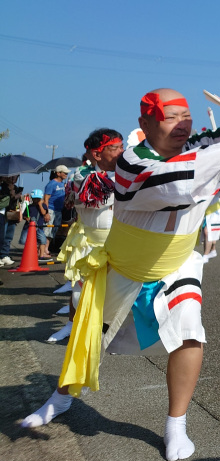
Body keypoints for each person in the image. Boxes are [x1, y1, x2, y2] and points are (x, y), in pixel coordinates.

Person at [20, 78, 220, 461]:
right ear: (146, 122)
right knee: (90, 334)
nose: (183, 122)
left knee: (189, 331)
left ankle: (176, 424)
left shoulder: (203, 148)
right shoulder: (134, 162)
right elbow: (180, 183)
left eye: (186, 115)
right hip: (127, 262)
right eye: (171, 117)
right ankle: (61, 397)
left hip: (180, 260)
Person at [49, 129, 124, 343]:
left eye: (122, 146)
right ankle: (73, 326)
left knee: (118, 293)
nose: (122, 151)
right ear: (97, 154)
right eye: (115, 148)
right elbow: (89, 195)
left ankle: (111, 333)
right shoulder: (81, 176)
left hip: (119, 242)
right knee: (78, 289)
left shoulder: (129, 175)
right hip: (89, 241)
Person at [43, 165, 69, 248]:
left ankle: (46, 248)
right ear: (58, 173)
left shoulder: (62, 184)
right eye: (65, 173)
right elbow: (46, 198)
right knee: (47, 230)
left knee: (54, 230)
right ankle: (43, 249)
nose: (66, 174)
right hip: (51, 209)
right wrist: (46, 212)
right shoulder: (52, 184)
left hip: (58, 210)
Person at [0, 176, 22, 267]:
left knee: (8, 236)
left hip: (12, 214)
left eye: (16, 176)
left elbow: (17, 202)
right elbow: (6, 200)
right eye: (12, 177)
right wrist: (14, 194)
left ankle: (4, 254)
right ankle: (2, 255)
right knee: (2, 236)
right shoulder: (3, 187)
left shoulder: (15, 187)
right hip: (4, 213)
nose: (14, 178)